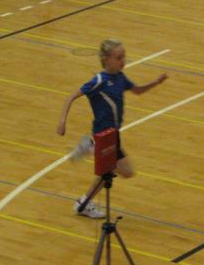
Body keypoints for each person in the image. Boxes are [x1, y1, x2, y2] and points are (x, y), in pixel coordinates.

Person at [57, 39, 168, 219]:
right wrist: (62, 121)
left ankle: (83, 202)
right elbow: (71, 97)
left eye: (124, 56)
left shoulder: (120, 77)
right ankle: (91, 148)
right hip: (103, 135)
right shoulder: (99, 81)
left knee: (112, 172)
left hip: (114, 135)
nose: (123, 60)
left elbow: (137, 90)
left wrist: (156, 82)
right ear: (106, 59)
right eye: (118, 57)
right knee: (120, 171)